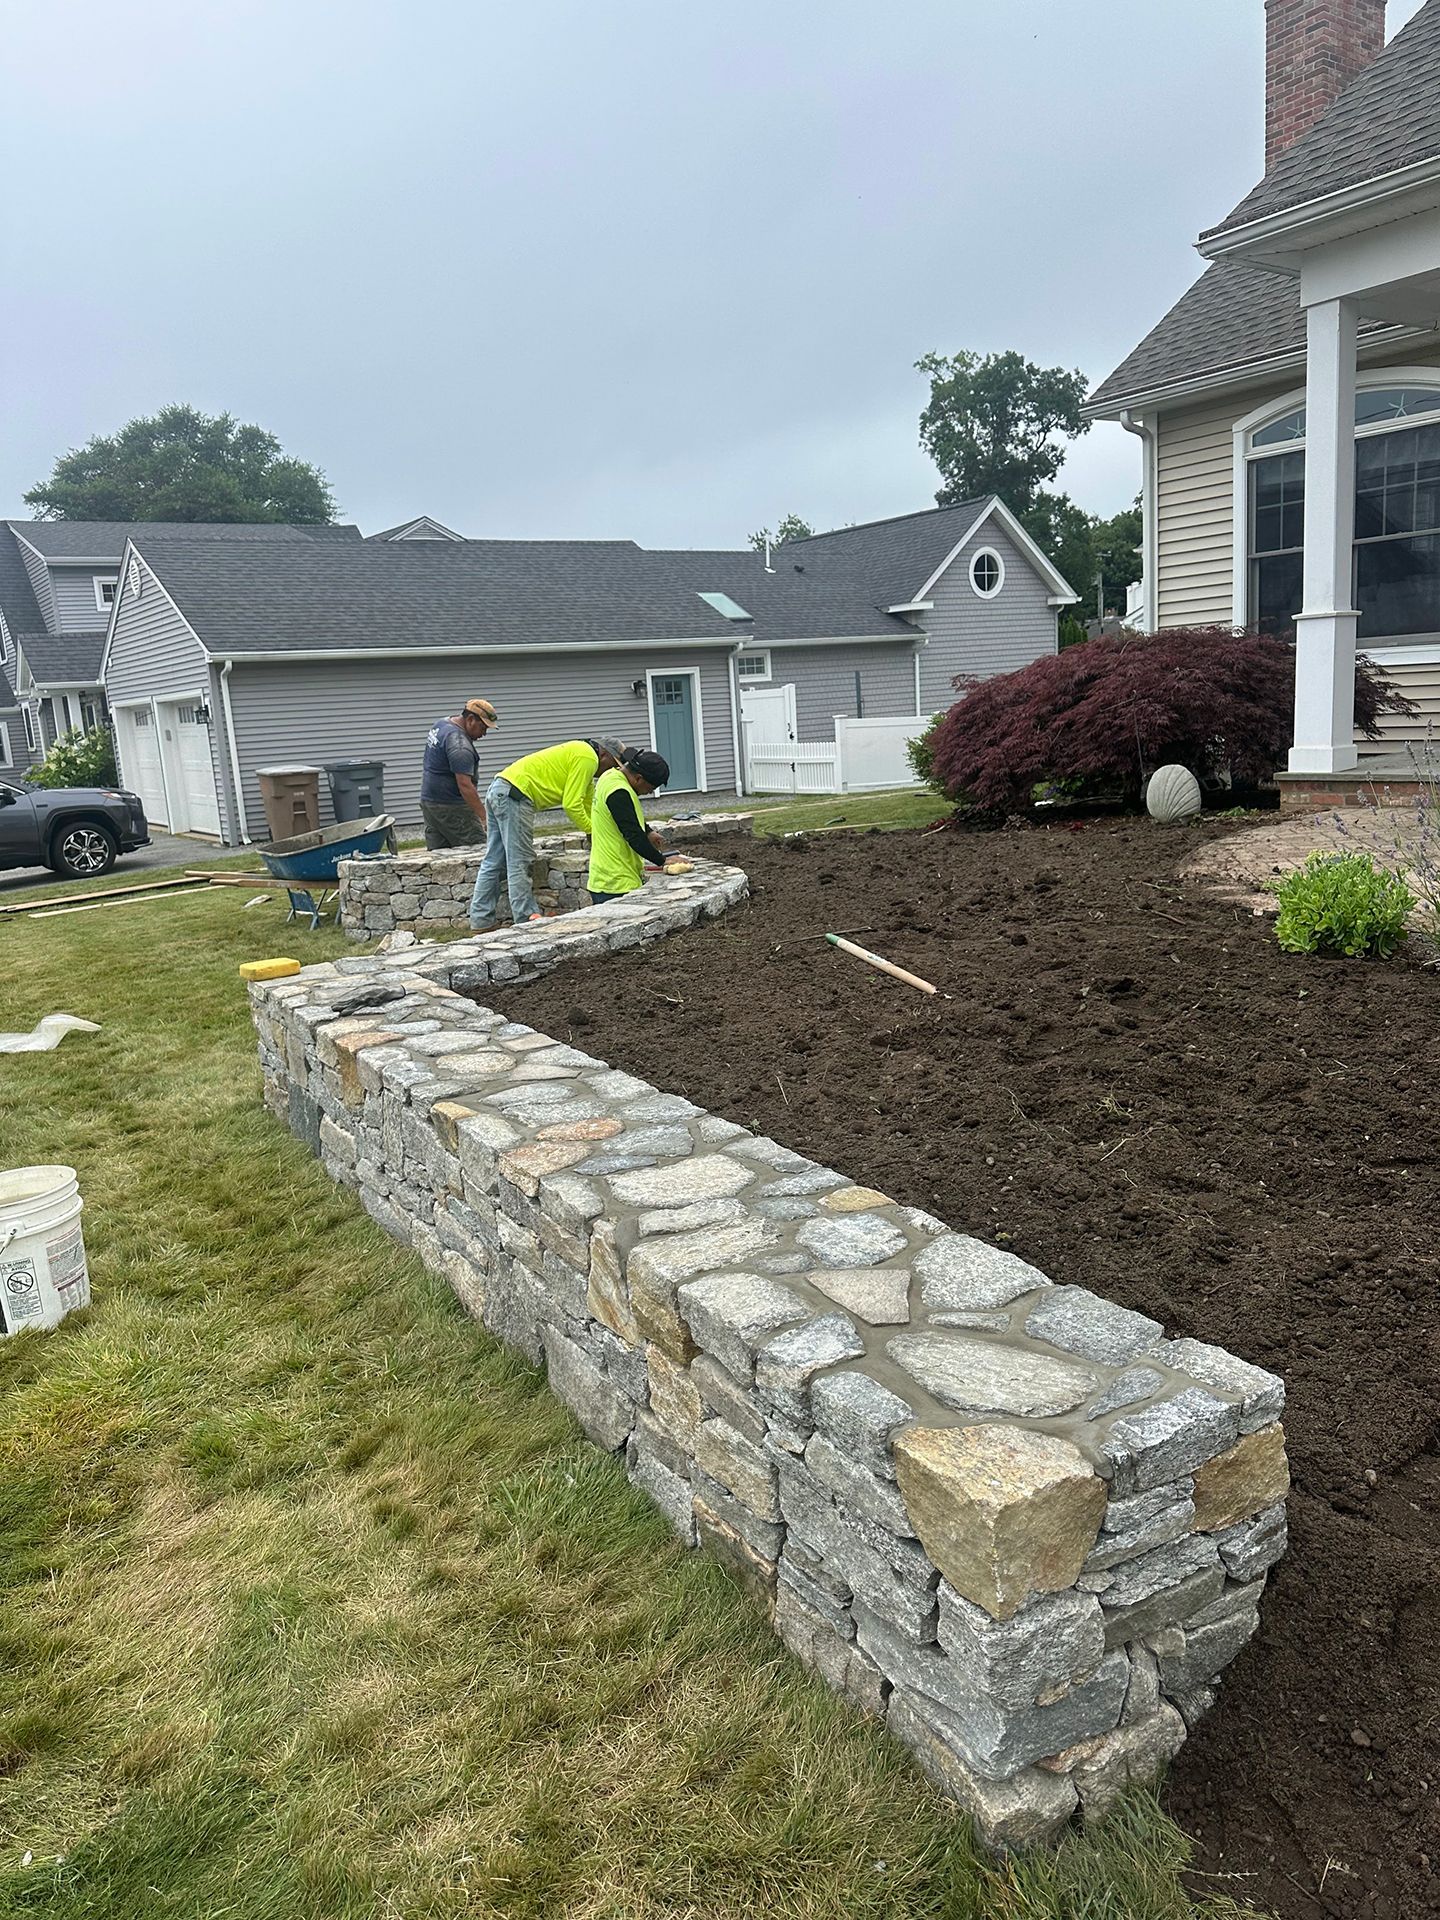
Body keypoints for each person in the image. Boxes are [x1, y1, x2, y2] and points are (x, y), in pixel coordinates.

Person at [468, 735, 627, 930]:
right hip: (516, 795)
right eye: (613, 764)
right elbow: (572, 804)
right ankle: (526, 919)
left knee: (494, 859)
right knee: (520, 860)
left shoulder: (581, 753)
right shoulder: (588, 758)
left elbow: (587, 800)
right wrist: (591, 830)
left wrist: (599, 825)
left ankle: (481, 921)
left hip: (501, 788)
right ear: (604, 754)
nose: (611, 770)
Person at [587, 749, 678, 903]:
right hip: (616, 882)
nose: (650, 792)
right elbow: (634, 836)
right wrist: (663, 861)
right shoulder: (619, 792)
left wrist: (648, 832)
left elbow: (625, 816)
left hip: (606, 879)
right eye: (651, 788)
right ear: (638, 778)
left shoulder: (609, 777)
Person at [420, 699, 498, 849]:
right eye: (483, 727)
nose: (484, 733)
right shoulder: (460, 746)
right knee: (478, 851)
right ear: (470, 720)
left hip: (429, 802)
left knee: (439, 857)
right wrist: (485, 817)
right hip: (452, 807)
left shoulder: (442, 724)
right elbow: (465, 786)